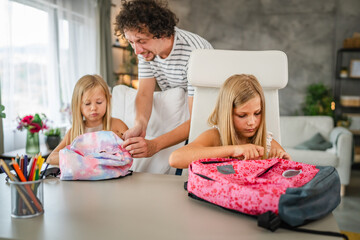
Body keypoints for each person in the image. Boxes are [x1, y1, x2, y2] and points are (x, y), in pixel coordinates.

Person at [114, 0, 213, 158]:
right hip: (180, 118)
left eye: (141, 41)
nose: (137, 51)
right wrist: (140, 124)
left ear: (162, 32)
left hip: (206, 123)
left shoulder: (196, 52)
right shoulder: (146, 52)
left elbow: (198, 119)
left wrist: (155, 145)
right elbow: (145, 93)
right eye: (131, 42)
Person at [169, 74, 292, 169]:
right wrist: (234, 149)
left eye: (257, 113)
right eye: (242, 115)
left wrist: (285, 162)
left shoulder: (267, 142)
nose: (252, 122)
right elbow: (175, 159)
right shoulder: (215, 137)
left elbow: (289, 176)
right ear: (227, 114)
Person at [46, 74, 128, 165]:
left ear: (108, 100)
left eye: (99, 102)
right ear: (78, 106)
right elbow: (50, 159)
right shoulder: (73, 133)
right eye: (87, 103)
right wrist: (79, 156)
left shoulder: (117, 125)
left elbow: (130, 152)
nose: (93, 108)